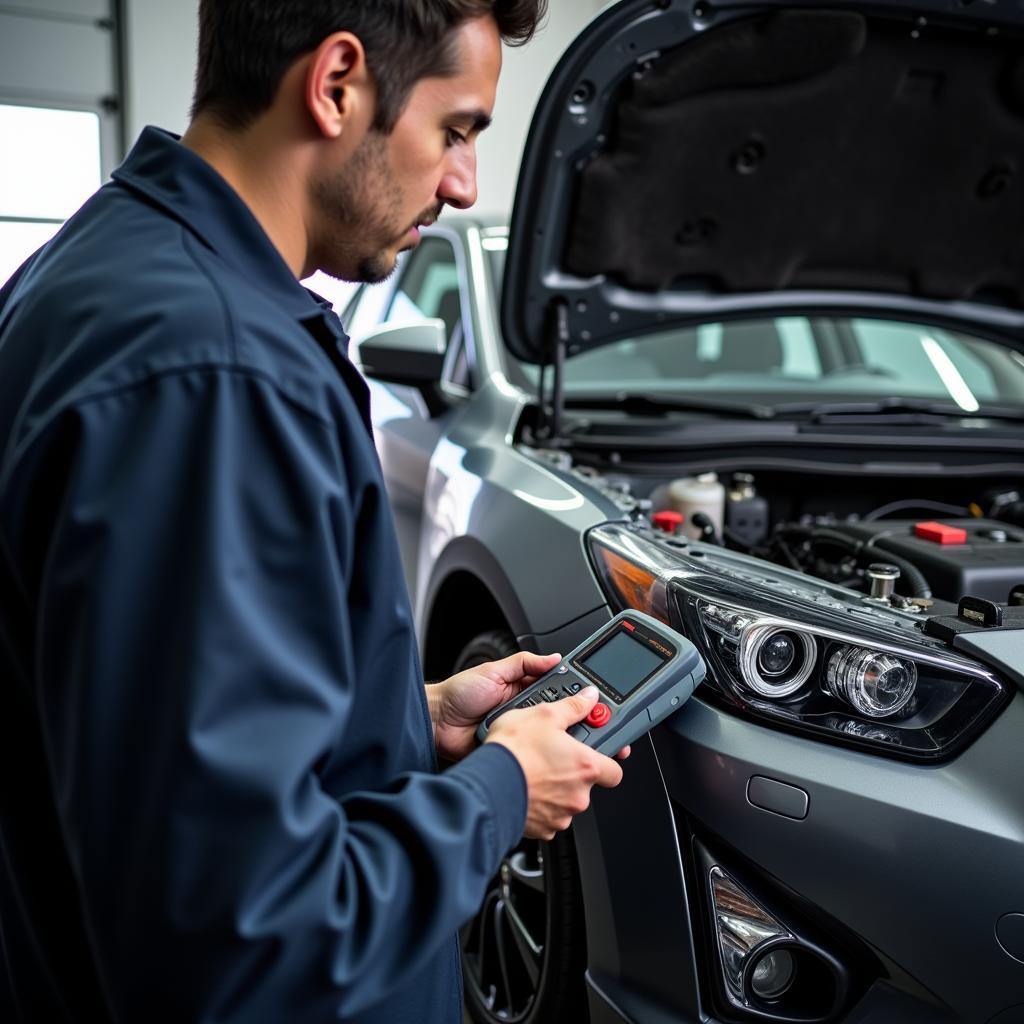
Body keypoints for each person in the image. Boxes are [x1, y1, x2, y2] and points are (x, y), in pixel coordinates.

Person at [0, 1, 631, 1021]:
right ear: (337, 83)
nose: (464, 182)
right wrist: (501, 793)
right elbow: (241, 936)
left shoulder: (97, 271)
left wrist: (409, 723)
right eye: (457, 130)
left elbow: (139, 740)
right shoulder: (216, 376)